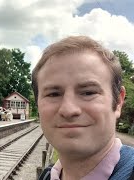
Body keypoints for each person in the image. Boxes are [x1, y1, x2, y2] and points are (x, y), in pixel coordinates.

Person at [32, 36, 134, 180]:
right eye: (53, 94)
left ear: (118, 102)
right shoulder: (46, 176)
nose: (68, 110)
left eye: (88, 92)